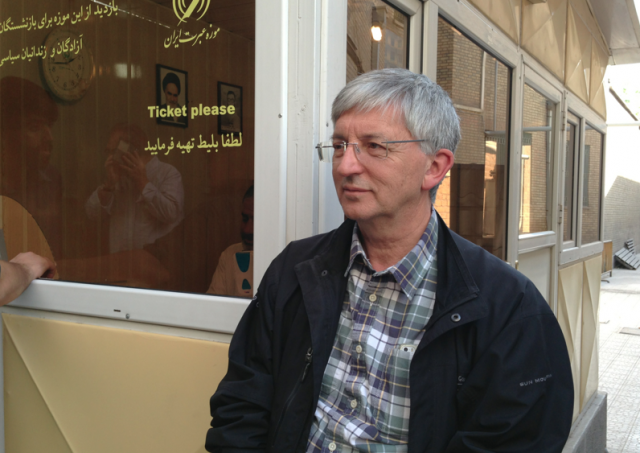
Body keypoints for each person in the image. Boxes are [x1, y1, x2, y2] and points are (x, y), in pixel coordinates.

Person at [206, 68, 573, 452]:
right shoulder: (296, 270)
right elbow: (242, 405)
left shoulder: (508, 308)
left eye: (375, 146)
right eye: (339, 146)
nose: (346, 166)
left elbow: (516, 440)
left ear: (434, 167)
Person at [85, 123, 184, 253]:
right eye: (107, 152)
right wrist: (108, 185)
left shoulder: (168, 173)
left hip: (154, 265)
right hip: (119, 264)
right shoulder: (117, 177)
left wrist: (143, 183)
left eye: (113, 152)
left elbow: (171, 213)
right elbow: (91, 214)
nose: (109, 158)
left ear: (132, 151)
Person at [0, 77, 63, 258]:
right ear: (5, 135)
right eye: (34, 127)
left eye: (49, 126)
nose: (49, 138)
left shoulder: (52, 181)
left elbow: (55, 256)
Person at [206, 185, 253, 297]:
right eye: (245, 219)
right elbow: (212, 307)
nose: (247, 229)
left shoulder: (285, 259)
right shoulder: (230, 255)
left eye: (257, 221)